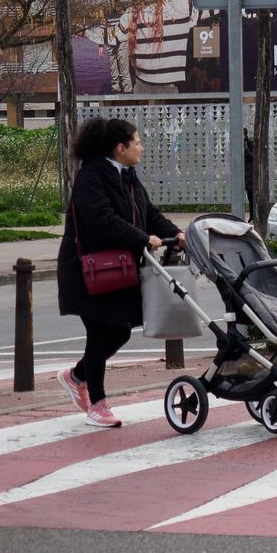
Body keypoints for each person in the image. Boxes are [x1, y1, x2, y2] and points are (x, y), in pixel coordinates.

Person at [57, 117, 182, 427]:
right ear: (120, 147)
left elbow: (148, 213)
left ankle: (77, 376)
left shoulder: (127, 176)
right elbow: (102, 219)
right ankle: (97, 404)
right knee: (100, 332)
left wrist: (176, 233)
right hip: (87, 270)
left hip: (117, 268)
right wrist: (141, 238)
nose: (142, 147)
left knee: (122, 329)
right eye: (137, 142)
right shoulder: (91, 177)